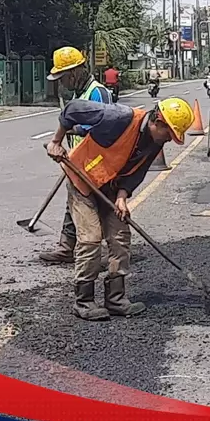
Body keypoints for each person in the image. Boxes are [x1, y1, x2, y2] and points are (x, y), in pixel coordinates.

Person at [44, 97, 194, 321]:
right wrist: (56, 141)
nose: (170, 140)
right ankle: (83, 301)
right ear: (158, 122)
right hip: (83, 180)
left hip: (112, 188)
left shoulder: (155, 142)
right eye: (169, 134)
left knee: (120, 236)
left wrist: (123, 196)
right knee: (90, 239)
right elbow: (72, 109)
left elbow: (137, 172)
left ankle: (116, 299)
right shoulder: (119, 117)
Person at [39, 47, 113, 264]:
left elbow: (108, 126)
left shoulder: (98, 92)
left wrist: (75, 130)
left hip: (98, 162)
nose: (61, 83)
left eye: (63, 78)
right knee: (74, 201)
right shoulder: (78, 95)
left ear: (75, 72)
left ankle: (107, 254)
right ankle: (66, 247)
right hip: (79, 161)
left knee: (98, 206)